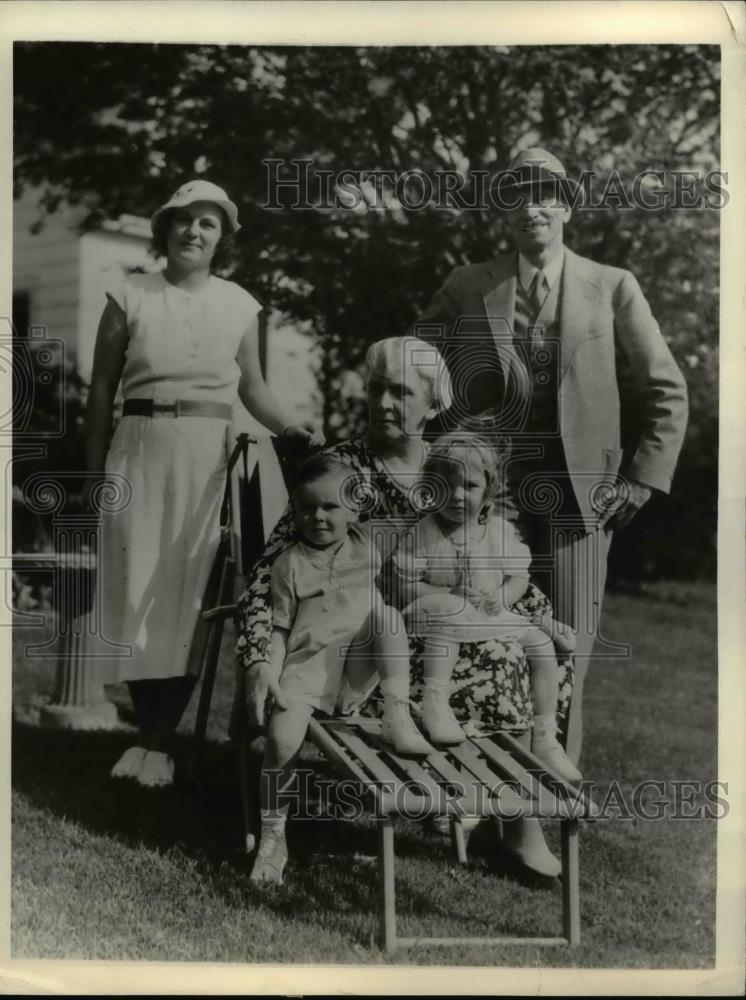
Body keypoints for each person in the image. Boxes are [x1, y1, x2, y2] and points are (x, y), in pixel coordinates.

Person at [240, 335, 571, 877]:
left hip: (445, 629)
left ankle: (515, 818)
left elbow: (496, 565)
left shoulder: (456, 468)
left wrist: (534, 612)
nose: (383, 403)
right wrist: (258, 656)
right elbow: (271, 570)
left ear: (433, 404)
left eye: (400, 392)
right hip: (367, 649)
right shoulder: (342, 468)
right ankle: (496, 809)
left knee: (538, 649)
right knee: (492, 658)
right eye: (376, 389)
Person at [414, 148, 688, 764]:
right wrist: (434, 448)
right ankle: (473, 793)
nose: (530, 206)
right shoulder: (469, 284)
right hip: (485, 498)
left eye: (543, 193)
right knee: (476, 630)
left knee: (566, 651)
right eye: (516, 194)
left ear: (565, 205)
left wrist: (641, 480)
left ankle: (539, 813)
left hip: (580, 500)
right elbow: (416, 364)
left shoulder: (612, 286)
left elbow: (665, 389)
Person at [84, 179, 321, 788]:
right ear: (164, 228)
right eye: (184, 220)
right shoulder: (128, 295)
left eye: (208, 224)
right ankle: (147, 739)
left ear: (222, 239)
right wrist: (93, 474)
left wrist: (289, 425)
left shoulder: (239, 304)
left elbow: (253, 388)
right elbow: (102, 392)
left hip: (209, 458)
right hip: (138, 450)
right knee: (138, 592)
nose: (194, 231)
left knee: (187, 600)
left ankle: (157, 746)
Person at [250, 453, 431, 884]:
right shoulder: (288, 564)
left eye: (330, 506)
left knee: (387, 617)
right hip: (307, 670)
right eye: (307, 507)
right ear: (294, 510)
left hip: (357, 667)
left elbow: (418, 513)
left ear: (353, 508)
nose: (318, 517)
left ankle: (396, 712)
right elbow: (277, 628)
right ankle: (274, 834)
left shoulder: (368, 541)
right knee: (279, 743)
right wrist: (269, 675)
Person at [393, 430, 581, 782]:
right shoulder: (424, 532)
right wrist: (445, 591)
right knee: (447, 620)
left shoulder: (497, 531)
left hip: (489, 614)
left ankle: (544, 734)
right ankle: (436, 702)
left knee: (541, 646)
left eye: (469, 486)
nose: (457, 496)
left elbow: (518, 577)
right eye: (446, 486)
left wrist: (501, 597)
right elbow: (405, 586)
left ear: (488, 489)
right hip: (439, 618)